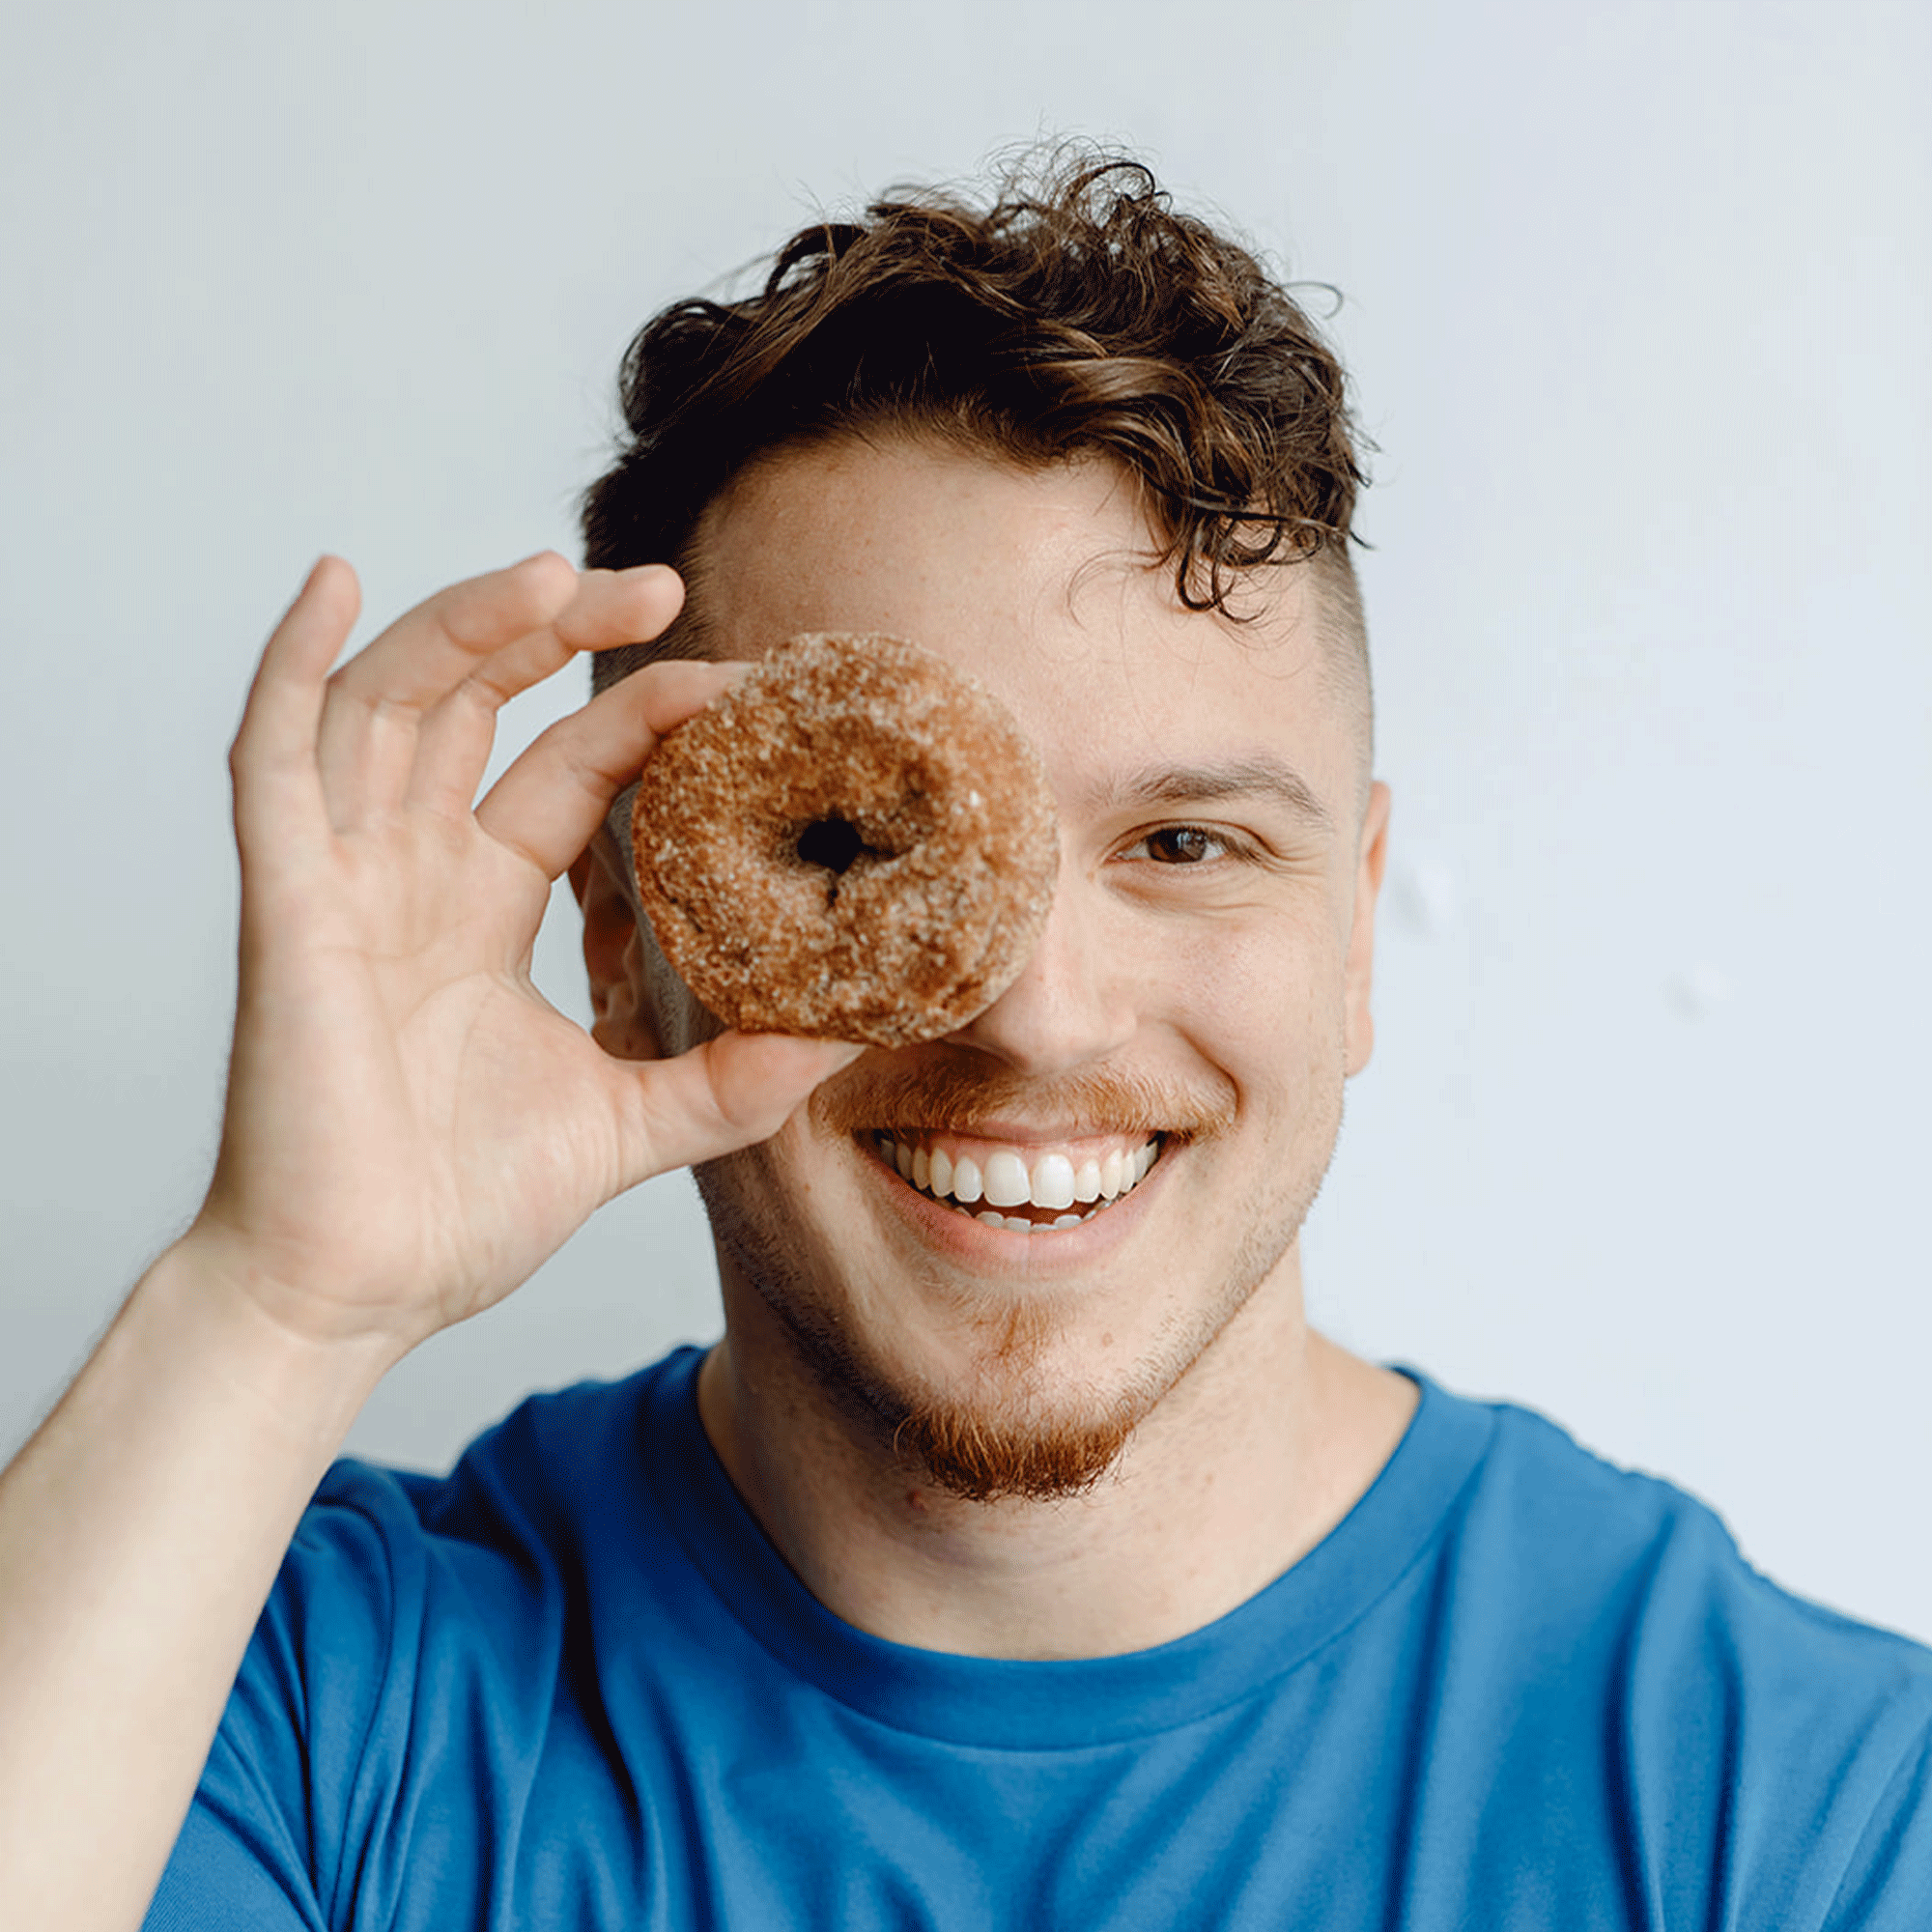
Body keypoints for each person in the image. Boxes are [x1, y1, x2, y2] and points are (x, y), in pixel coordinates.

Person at [2, 152, 1927, 1931]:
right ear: (620, 939)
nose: (1033, 1017)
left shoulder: (1798, 1814)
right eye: (855, 843)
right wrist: (276, 1302)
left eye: (1184, 845)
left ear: (1351, 929)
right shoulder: (295, 1716)